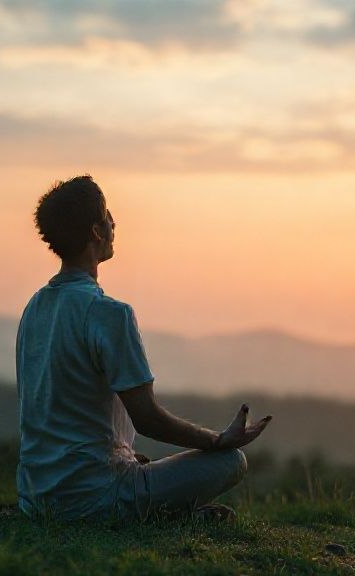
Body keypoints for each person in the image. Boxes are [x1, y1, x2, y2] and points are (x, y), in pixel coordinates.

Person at [16, 175, 272, 523]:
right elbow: (147, 418)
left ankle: (159, 508)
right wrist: (219, 440)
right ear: (96, 232)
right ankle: (163, 516)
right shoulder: (108, 314)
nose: (114, 221)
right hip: (94, 498)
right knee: (231, 461)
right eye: (107, 215)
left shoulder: (35, 307)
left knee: (143, 465)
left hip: (35, 499)